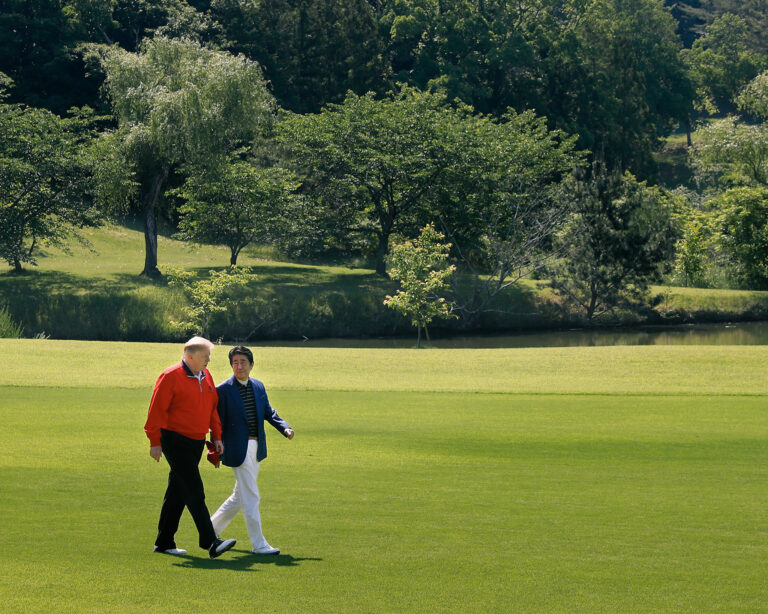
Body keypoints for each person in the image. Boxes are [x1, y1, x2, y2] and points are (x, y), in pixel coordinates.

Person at [144, 336, 237, 559]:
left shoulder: (205, 375)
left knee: (177, 491)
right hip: (174, 440)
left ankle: (164, 541)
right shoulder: (171, 376)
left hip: (196, 440)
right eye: (206, 357)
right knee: (194, 490)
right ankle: (210, 542)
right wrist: (154, 441)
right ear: (190, 356)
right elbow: (156, 411)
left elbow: (212, 408)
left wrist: (216, 435)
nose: (209, 361)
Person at [211, 345, 295, 555]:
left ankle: (209, 530)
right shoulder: (223, 390)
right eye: (235, 362)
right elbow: (216, 421)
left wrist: (284, 427)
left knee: (239, 496)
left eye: (243, 362)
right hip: (237, 448)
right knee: (251, 495)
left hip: (256, 447)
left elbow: (269, 412)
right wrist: (216, 446)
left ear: (251, 364)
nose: (239, 366)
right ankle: (259, 545)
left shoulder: (258, 387)